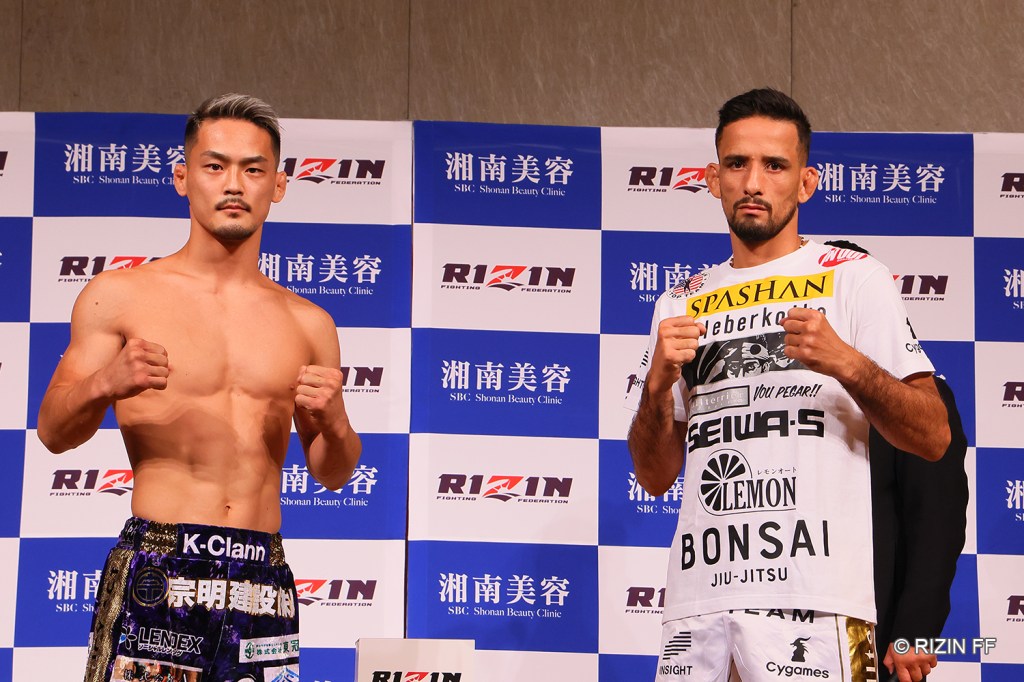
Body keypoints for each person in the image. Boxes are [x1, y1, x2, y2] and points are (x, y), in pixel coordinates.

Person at [625, 88, 950, 682]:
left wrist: (846, 363)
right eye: (737, 164)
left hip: (819, 604)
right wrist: (654, 389)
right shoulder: (681, 299)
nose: (753, 182)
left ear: (805, 183)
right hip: (699, 605)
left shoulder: (853, 278)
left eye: (774, 166)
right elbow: (653, 476)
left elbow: (932, 436)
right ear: (712, 177)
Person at [38, 93, 362, 682]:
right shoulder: (120, 296)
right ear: (183, 179)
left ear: (279, 186)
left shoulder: (308, 323)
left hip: (261, 578)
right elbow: (54, 432)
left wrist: (335, 420)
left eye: (253, 169)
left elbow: (333, 471)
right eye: (215, 167)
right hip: (160, 567)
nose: (233, 184)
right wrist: (106, 382)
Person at [822, 241, 969, 682]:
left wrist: (913, 632)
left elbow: (937, 521)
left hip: (867, 629)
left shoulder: (919, 402)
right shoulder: (786, 397)